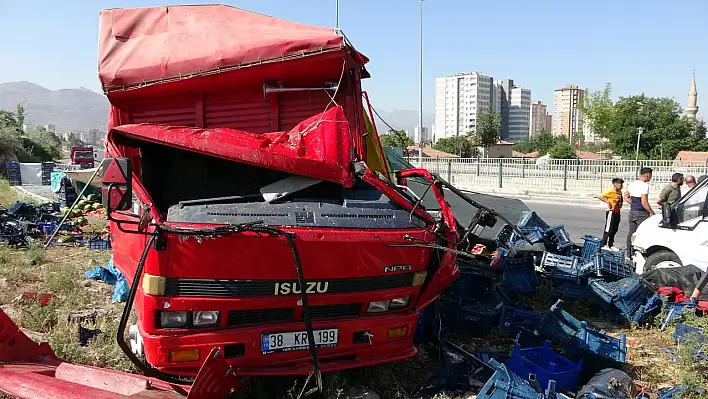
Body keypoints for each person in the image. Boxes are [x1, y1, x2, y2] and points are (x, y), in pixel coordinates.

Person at [625, 167, 654, 258]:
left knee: (631, 233)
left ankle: (629, 254)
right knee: (642, 233)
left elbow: (626, 196)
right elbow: (644, 202)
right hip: (641, 213)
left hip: (632, 211)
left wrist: (633, 203)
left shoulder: (632, 184)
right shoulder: (644, 186)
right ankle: (640, 254)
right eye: (650, 176)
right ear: (648, 175)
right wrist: (651, 212)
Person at [598, 178, 624, 250]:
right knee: (608, 228)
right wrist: (607, 202)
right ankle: (604, 244)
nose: (621, 186)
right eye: (620, 184)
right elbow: (600, 196)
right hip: (611, 212)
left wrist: (621, 204)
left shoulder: (620, 192)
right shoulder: (610, 191)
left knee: (615, 229)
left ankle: (611, 244)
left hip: (617, 212)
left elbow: (621, 199)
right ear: (615, 185)